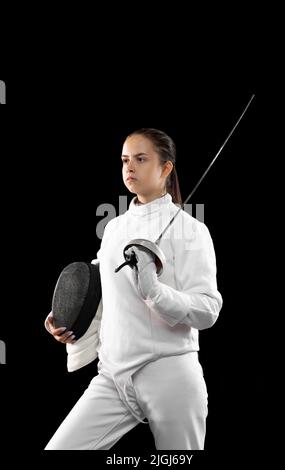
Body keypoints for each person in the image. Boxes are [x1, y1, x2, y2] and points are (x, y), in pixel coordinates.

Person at [44, 128, 223, 450]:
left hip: (169, 375)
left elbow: (208, 309)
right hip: (113, 374)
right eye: (126, 160)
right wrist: (67, 318)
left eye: (141, 159)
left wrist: (153, 289)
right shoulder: (114, 227)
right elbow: (101, 291)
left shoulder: (191, 230)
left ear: (166, 168)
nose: (130, 167)